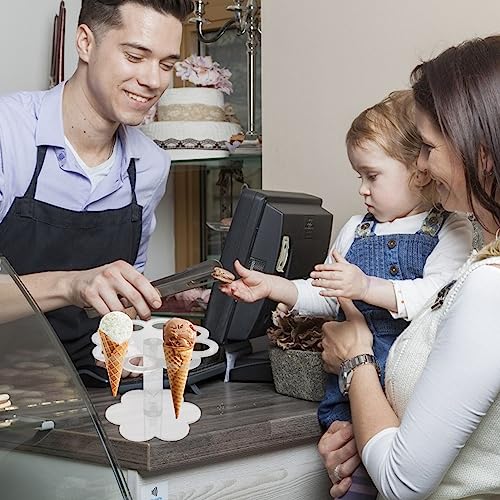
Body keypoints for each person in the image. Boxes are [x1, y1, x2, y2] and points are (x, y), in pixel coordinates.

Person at [220, 91, 473, 497]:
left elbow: (439, 298)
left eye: (372, 176)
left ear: (420, 171)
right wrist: (274, 287)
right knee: (353, 476)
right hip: (348, 390)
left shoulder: (450, 228)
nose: (363, 190)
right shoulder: (356, 228)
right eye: (359, 177)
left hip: (408, 390)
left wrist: (367, 287)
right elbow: (326, 293)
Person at [319, 35, 500, 500]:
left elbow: (403, 482)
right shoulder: (481, 264)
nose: (419, 163)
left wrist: (356, 359)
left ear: (480, 155)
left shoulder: (490, 288)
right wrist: (368, 436)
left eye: (428, 147)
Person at [0, 0, 193, 383]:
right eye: (135, 56)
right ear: (85, 43)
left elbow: (121, 301)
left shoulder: (150, 166)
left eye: (167, 64)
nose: (153, 80)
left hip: (85, 386)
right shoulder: (8, 135)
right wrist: (71, 284)